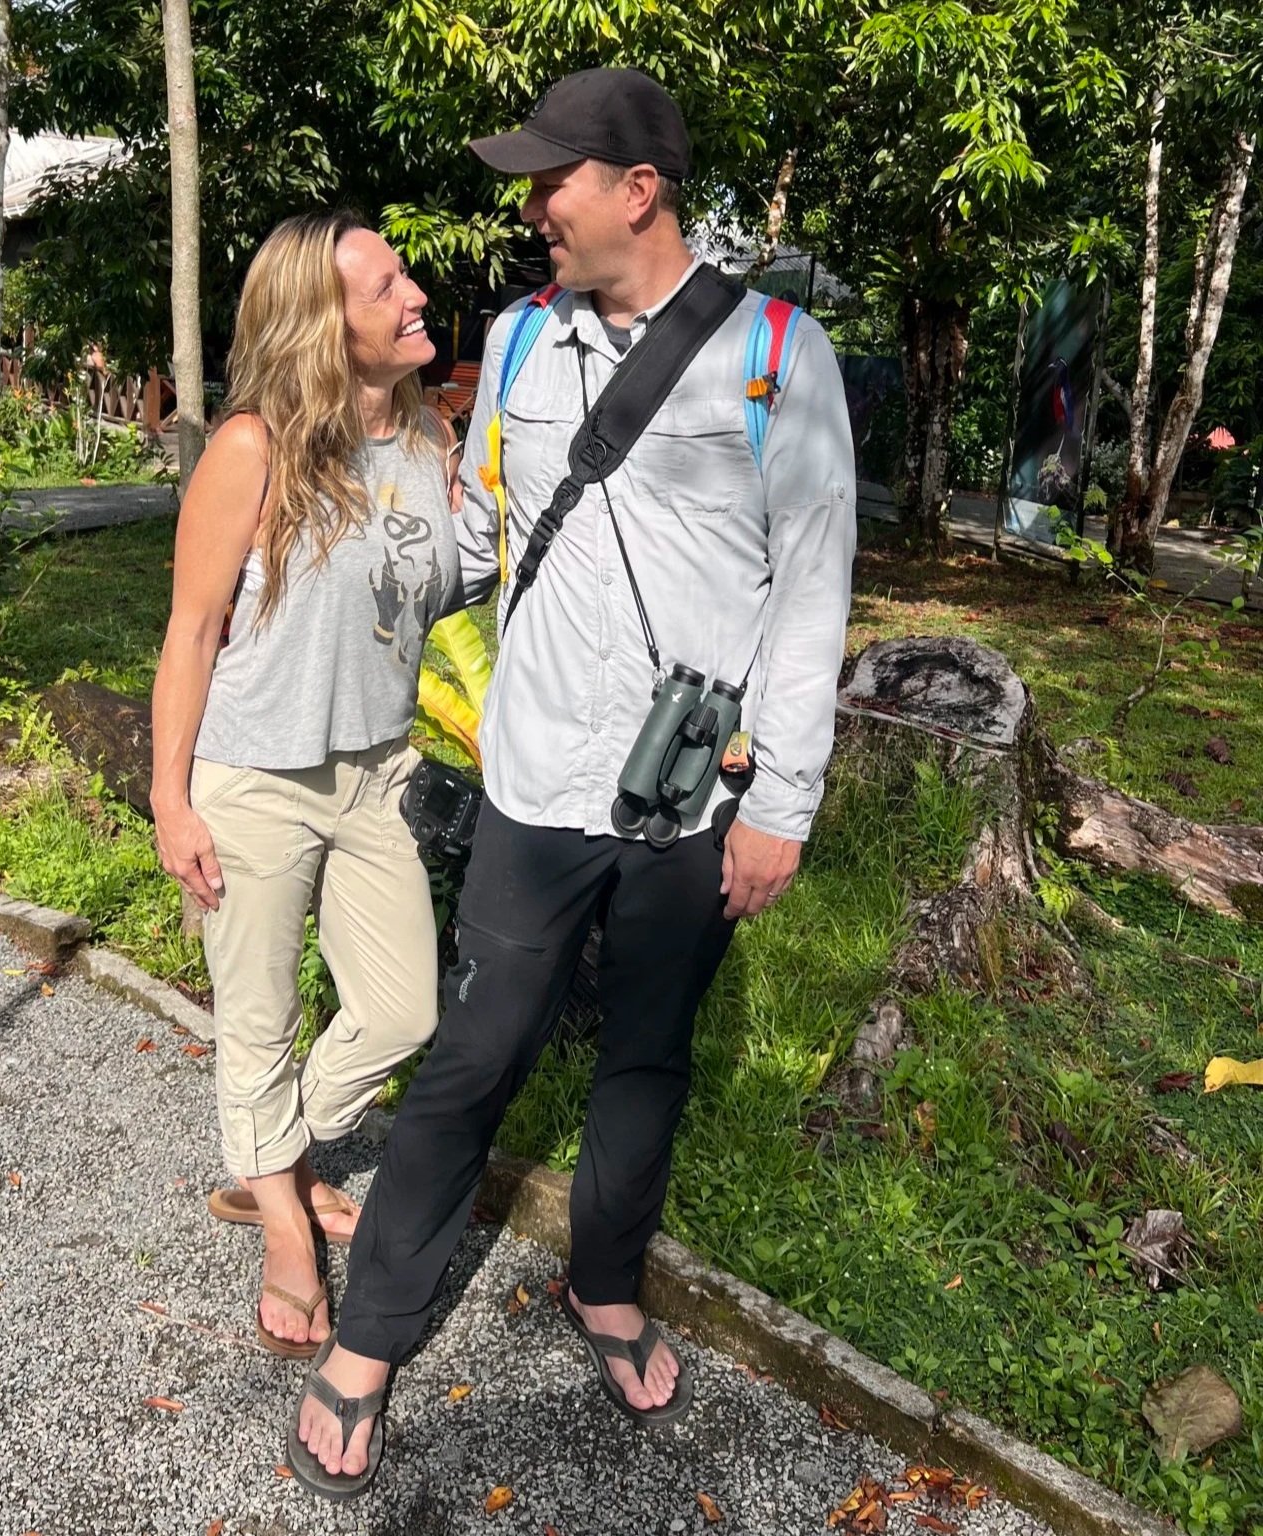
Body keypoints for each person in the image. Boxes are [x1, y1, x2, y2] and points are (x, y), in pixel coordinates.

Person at [287, 68, 856, 1498]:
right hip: (535, 778)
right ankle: (372, 1336)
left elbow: (811, 597)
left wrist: (782, 806)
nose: (533, 207)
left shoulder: (779, 356)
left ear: (637, 191)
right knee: (472, 1055)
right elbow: (482, 533)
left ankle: (604, 1282)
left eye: (554, 180)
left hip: (690, 799)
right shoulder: (523, 339)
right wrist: (324, 561)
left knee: (647, 1055)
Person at [150, 210, 456, 1360]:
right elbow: (192, 631)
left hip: (377, 771)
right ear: (323, 328)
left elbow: (445, 587)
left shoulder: (426, 439)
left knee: (403, 1009)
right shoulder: (253, 449)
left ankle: (269, 1151)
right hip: (256, 777)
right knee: (259, 1013)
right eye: (383, 288)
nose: (413, 295)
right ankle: (284, 1218)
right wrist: (170, 799)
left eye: (403, 275)